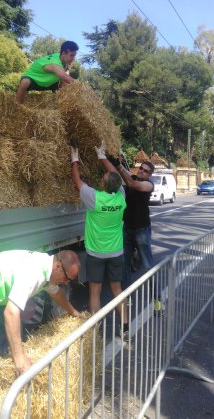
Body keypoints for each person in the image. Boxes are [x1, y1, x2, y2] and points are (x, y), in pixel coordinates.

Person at [0, 249, 83, 394]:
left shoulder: (46, 269)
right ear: (58, 266)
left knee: (10, 341)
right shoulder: (35, 272)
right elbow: (11, 312)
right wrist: (19, 358)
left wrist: (73, 312)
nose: (66, 283)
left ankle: (7, 391)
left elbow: (57, 293)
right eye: (67, 278)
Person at [70, 143, 129, 334]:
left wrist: (74, 160)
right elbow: (117, 178)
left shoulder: (94, 198)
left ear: (103, 185)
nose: (100, 180)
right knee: (117, 290)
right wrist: (102, 158)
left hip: (96, 253)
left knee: (94, 291)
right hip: (116, 252)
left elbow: (76, 179)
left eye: (102, 179)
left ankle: (94, 330)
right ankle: (126, 328)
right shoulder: (121, 197)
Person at [106, 155, 155, 287]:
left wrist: (119, 166)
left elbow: (131, 183)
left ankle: (157, 298)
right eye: (141, 168)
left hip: (142, 231)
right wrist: (107, 160)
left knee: (147, 265)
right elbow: (118, 173)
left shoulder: (148, 185)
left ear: (149, 175)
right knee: (124, 265)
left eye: (145, 171)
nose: (141, 171)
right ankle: (126, 300)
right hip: (127, 229)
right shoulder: (132, 178)